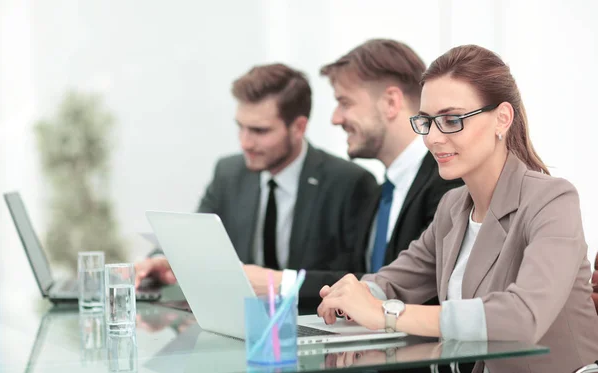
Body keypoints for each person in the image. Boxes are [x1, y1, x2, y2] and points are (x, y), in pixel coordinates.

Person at [316, 44, 598, 372]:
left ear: (502, 119)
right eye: (427, 121)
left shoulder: (552, 200)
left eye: (451, 120)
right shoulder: (453, 206)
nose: (433, 138)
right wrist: (353, 295)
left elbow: (523, 317)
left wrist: (386, 314)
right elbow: (398, 279)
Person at [134, 63, 378, 293]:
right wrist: (162, 261)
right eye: (241, 127)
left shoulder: (349, 183)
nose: (245, 142)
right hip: (241, 322)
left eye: (259, 131)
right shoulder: (228, 173)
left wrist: (283, 284)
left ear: (299, 127)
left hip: (312, 322)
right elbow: (194, 239)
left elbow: (362, 280)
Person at [264, 39, 462, 307]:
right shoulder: (377, 194)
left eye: (345, 103)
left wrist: (279, 283)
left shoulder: (449, 184)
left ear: (391, 102)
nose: (336, 118)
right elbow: (360, 281)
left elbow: (413, 286)